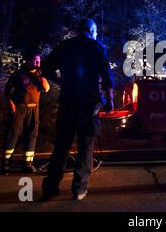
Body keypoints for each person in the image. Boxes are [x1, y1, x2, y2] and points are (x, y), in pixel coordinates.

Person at [41, 19, 114, 201]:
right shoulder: (97, 47)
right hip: (89, 105)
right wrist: (110, 100)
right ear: (92, 30)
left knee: (61, 145)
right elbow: (106, 75)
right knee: (86, 145)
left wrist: (60, 82)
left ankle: (51, 187)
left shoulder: (64, 46)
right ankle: (79, 189)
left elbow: (45, 67)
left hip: (68, 101)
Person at [2, 51, 50, 174]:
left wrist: (42, 75)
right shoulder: (18, 74)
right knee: (13, 134)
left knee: (32, 135)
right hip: (19, 108)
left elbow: (46, 89)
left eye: (39, 60)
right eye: (35, 60)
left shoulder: (39, 76)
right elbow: (8, 90)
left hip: (34, 109)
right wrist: (10, 103)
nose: (38, 62)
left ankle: (27, 163)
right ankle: (6, 163)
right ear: (28, 61)